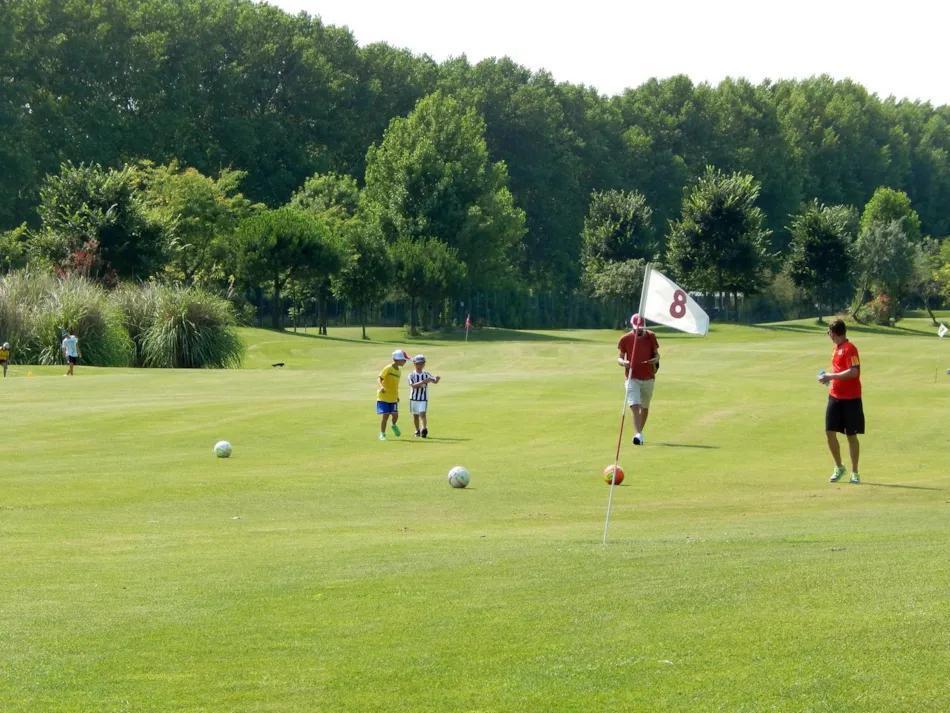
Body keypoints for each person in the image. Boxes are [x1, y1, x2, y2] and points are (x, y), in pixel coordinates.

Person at [818, 319, 863, 484]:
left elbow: (853, 372)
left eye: (828, 333)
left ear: (833, 333)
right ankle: (839, 466)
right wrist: (828, 379)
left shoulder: (851, 349)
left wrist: (831, 376)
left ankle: (855, 472)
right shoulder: (835, 349)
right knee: (829, 432)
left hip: (851, 398)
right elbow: (839, 372)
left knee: (851, 435)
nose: (828, 335)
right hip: (835, 396)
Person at [617, 313, 660, 445]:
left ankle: (639, 432)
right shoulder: (625, 339)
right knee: (634, 404)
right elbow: (619, 357)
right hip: (632, 376)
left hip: (648, 376)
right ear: (632, 326)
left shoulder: (651, 336)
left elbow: (657, 354)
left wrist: (655, 359)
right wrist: (624, 363)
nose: (639, 330)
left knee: (644, 406)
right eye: (637, 327)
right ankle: (639, 434)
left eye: (641, 327)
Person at [377, 349, 410, 441]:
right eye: (404, 360)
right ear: (397, 360)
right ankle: (382, 434)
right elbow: (379, 379)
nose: (405, 362)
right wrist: (381, 387)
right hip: (384, 396)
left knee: (395, 415)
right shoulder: (388, 368)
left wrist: (396, 396)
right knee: (386, 415)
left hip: (393, 397)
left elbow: (395, 385)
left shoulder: (399, 371)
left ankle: (393, 425)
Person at [408, 354, 441, 438]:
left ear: (424, 365)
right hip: (414, 399)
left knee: (422, 414)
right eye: (417, 364)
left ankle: (424, 429)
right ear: (414, 364)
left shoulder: (426, 374)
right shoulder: (411, 375)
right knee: (415, 416)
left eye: (421, 364)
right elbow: (413, 385)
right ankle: (417, 430)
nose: (419, 366)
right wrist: (423, 382)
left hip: (423, 399)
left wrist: (437, 379)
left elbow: (434, 381)